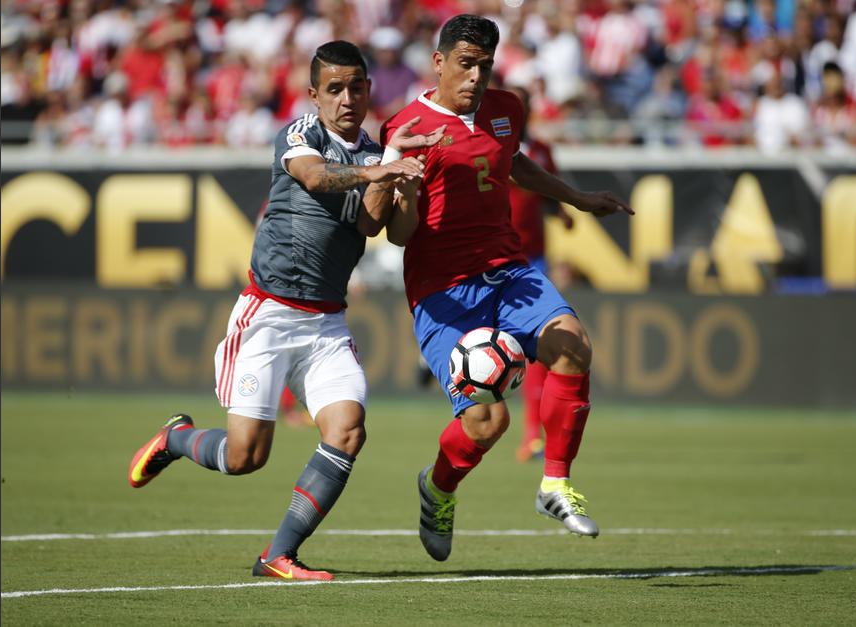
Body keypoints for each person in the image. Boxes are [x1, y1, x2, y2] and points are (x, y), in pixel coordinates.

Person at [128, 40, 444, 581]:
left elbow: (379, 228)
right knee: (246, 458)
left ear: (370, 89)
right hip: (268, 316)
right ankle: (177, 438)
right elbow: (318, 177)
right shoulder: (301, 135)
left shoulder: (375, 152)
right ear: (314, 95)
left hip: (326, 323)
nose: (348, 98)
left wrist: (402, 181)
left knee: (347, 430)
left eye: (358, 87)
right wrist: (379, 172)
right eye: (336, 88)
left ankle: (279, 555)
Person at [379, 14, 634, 562]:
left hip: (508, 268)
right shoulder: (408, 129)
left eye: (485, 66)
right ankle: (437, 489)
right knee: (487, 421)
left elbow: (512, 162)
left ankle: (555, 484)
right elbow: (399, 236)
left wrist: (576, 198)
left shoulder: (506, 109)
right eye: (465, 65)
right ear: (439, 62)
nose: (475, 77)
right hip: (443, 290)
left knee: (574, 346)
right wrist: (406, 191)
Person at [504, 84, 574, 464]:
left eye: (525, 105)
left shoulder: (541, 150)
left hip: (535, 258)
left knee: (540, 350)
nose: (521, 111)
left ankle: (533, 435)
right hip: (496, 258)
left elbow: (548, 191)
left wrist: (561, 211)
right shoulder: (489, 145)